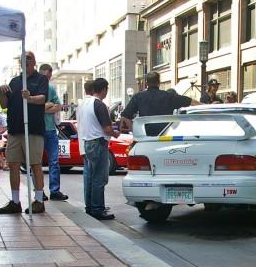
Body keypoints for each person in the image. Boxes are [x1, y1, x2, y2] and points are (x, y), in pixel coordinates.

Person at [0, 51, 48, 214]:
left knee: (35, 164)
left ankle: (39, 200)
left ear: (34, 62)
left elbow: (43, 98)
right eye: (23, 59)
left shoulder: (41, 79)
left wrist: (30, 98)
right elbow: (4, 104)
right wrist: (1, 92)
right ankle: (15, 201)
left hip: (33, 129)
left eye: (29, 59)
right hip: (14, 130)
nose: (26, 61)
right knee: (13, 164)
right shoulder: (14, 81)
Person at [78, 77, 115, 220]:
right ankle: (98, 209)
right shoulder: (99, 104)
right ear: (104, 89)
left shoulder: (84, 103)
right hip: (98, 143)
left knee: (89, 177)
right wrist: (115, 133)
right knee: (99, 177)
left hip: (87, 143)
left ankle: (90, 207)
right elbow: (106, 128)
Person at [119, 71, 200, 132]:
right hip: (166, 135)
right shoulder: (169, 96)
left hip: (145, 136)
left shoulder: (138, 97)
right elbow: (190, 102)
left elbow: (125, 117)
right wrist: (206, 105)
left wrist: (134, 130)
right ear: (159, 83)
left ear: (146, 83)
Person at [40, 63, 68, 201]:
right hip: (41, 129)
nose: (48, 78)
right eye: (47, 76)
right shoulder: (35, 87)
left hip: (48, 129)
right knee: (41, 162)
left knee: (53, 161)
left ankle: (51, 191)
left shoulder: (50, 87)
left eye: (49, 76)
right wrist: (48, 106)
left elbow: (58, 106)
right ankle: (44, 191)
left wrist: (43, 108)